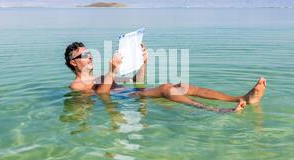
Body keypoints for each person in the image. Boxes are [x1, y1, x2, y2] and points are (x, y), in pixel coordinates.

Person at [64, 42, 267, 113]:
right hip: (127, 100)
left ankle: (242, 98)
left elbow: (138, 82)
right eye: (84, 55)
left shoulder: (101, 76)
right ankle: (221, 111)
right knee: (166, 87)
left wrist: (143, 61)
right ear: (74, 62)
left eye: (89, 53)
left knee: (182, 85)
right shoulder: (77, 84)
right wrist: (112, 71)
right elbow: (102, 95)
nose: (89, 56)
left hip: (134, 92)